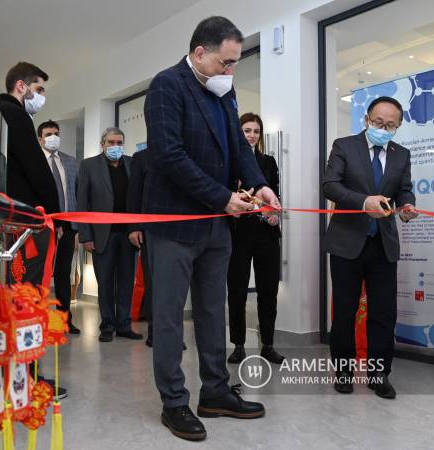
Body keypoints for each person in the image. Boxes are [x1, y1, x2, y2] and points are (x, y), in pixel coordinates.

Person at [143, 16, 281, 441]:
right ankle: (174, 402)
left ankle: (216, 391)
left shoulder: (224, 90)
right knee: (168, 318)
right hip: (173, 223)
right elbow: (169, 154)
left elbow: (240, 148)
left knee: (212, 310)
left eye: (235, 63)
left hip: (215, 227)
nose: (230, 71)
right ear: (199, 53)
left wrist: (260, 184)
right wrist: (220, 197)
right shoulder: (167, 85)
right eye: (226, 62)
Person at [323, 96, 419, 400]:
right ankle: (343, 371)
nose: (384, 128)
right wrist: (363, 202)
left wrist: (407, 206)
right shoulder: (344, 146)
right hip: (347, 243)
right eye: (379, 123)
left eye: (390, 125)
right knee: (345, 312)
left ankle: (379, 375)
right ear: (367, 119)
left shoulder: (401, 154)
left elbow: (405, 189)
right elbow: (330, 185)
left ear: (398, 126)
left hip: (383, 244)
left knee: (383, 314)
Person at [0, 62, 67, 400]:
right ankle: (26, 376)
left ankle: (11, 371)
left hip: (7, 224)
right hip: (27, 226)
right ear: (21, 86)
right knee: (28, 299)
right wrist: (55, 214)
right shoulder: (17, 116)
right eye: (38, 89)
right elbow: (37, 172)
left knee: (10, 298)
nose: (41, 97)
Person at [226, 113, 284, 365]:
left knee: (268, 291)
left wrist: (273, 214)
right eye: (247, 130)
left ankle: (268, 345)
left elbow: (276, 195)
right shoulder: (228, 162)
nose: (251, 135)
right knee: (237, 291)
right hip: (237, 235)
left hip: (266, 235)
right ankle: (238, 344)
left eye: (256, 131)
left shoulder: (269, 162)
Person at [77, 127, 142, 342]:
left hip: (129, 234)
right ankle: (107, 325)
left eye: (119, 142)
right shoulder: (88, 165)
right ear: (102, 144)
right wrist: (86, 236)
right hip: (101, 235)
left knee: (126, 282)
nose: (115, 147)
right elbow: (82, 202)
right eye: (111, 142)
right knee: (104, 282)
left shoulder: (133, 163)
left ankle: (124, 324)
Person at [126, 145, 186, 350]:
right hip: (152, 232)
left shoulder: (185, 155)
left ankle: (175, 334)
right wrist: (134, 227)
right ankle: (154, 333)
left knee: (177, 286)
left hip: (182, 230)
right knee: (154, 284)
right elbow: (134, 194)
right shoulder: (141, 158)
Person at [37, 120, 80, 335]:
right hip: (43, 228)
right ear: (40, 138)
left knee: (64, 275)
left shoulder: (71, 163)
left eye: (55, 133)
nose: (53, 137)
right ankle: (38, 319)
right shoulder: (35, 163)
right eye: (48, 134)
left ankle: (64, 320)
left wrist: (77, 229)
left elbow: (76, 195)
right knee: (41, 275)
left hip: (68, 227)